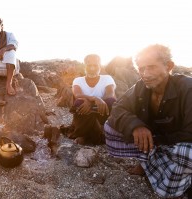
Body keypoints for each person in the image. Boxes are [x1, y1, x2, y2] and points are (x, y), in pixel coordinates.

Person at [104, 44, 192, 198]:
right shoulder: (141, 87)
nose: (145, 74)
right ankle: (148, 163)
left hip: (180, 142)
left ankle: (158, 166)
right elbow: (118, 108)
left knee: (186, 154)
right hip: (157, 142)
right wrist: (135, 125)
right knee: (110, 128)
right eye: (141, 68)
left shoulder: (187, 88)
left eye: (151, 67)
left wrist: (156, 140)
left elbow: (190, 132)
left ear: (169, 66)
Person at [67, 54, 116, 145]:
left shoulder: (107, 78)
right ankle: (88, 133)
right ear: (84, 66)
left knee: (110, 101)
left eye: (95, 65)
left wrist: (90, 103)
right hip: (85, 114)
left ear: (100, 66)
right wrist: (94, 99)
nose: (92, 68)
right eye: (89, 65)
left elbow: (110, 94)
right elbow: (77, 94)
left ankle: (97, 131)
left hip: (102, 113)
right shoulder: (78, 80)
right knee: (79, 102)